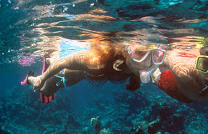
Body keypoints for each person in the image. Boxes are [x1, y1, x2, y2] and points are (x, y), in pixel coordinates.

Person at [21, 39, 166, 103]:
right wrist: (41, 79)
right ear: (128, 50)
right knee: (45, 90)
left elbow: (157, 70)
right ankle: (33, 77)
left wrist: (158, 76)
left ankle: (48, 66)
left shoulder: (144, 64)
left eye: (153, 55)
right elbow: (63, 63)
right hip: (77, 72)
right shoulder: (96, 60)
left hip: (88, 76)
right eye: (140, 53)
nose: (148, 62)